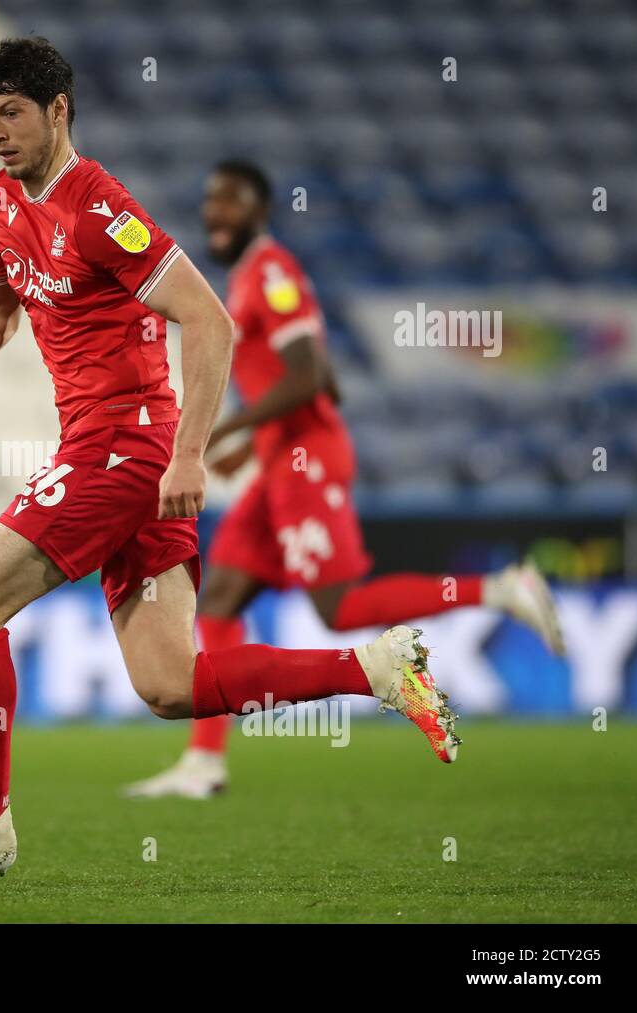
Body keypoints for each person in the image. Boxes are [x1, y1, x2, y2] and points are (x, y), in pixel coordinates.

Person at [0, 40, 459, 880]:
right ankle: (379, 667)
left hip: (124, 446)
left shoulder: (99, 206)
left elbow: (210, 320)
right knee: (171, 684)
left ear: (58, 110)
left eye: (13, 114)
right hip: (108, 450)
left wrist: (189, 456)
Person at [123, 161, 564, 801]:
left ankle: (500, 587)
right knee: (219, 597)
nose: (215, 212)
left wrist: (227, 430)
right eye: (210, 200)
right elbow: (324, 381)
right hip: (280, 462)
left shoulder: (272, 272)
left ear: (260, 209)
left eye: (230, 200)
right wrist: (255, 447)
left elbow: (311, 374)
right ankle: (205, 762)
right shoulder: (247, 278)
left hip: (309, 460)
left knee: (340, 609)